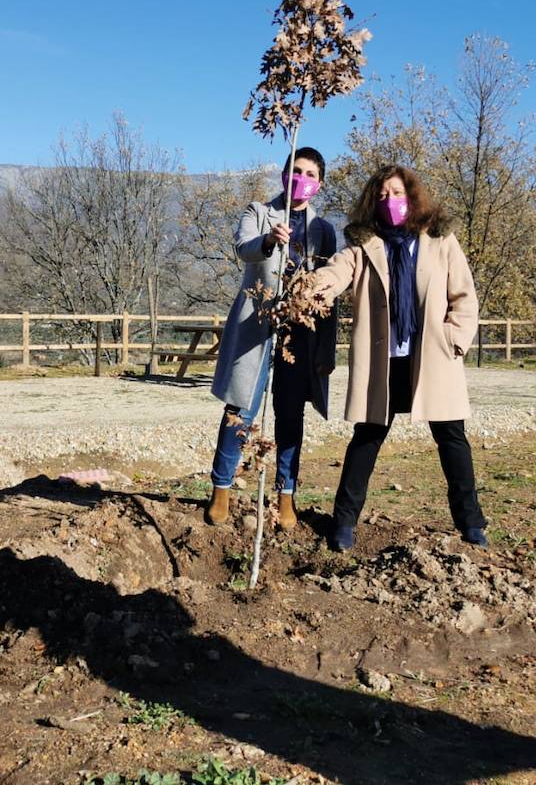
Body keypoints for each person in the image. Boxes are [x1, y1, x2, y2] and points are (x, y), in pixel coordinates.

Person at [310, 165, 488, 551]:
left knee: (452, 439)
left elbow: (465, 296)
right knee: (367, 438)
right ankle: (343, 524)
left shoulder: (440, 240)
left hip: (433, 358)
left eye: (397, 193)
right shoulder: (363, 245)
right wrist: (315, 286)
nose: (390, 201)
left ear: (412, 197)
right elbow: (337, 272)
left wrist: (454, 340)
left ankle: (472, 523)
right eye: (382, 195)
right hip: (384, 362)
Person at [207, 147, 338, 531]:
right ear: (283, 174)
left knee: (290, 414)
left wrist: (326, 348)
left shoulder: (323, 231)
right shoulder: (258, 212)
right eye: (296, 170)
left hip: (299, 335)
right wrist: (268, 240)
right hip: (256, 328)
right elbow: (243, 250)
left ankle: (286, 496)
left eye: (311, 174)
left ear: (320, 183)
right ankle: (221, 489)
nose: (302, 178)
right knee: (239, 408)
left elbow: (329, 292)